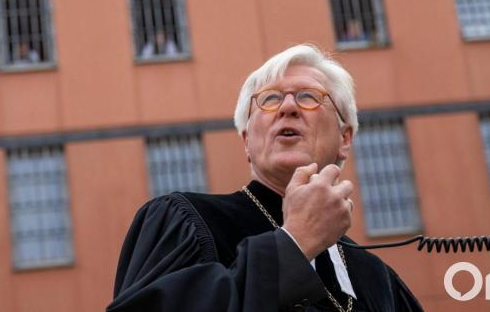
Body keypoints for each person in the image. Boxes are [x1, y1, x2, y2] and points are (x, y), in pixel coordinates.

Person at [106, 44, 422, 311]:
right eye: (269, 100)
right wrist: (293, 244)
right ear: (246, 141)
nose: (287, 107)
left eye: (309, 97)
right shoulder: (187, 222)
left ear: (345, 138)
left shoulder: (381, 283)